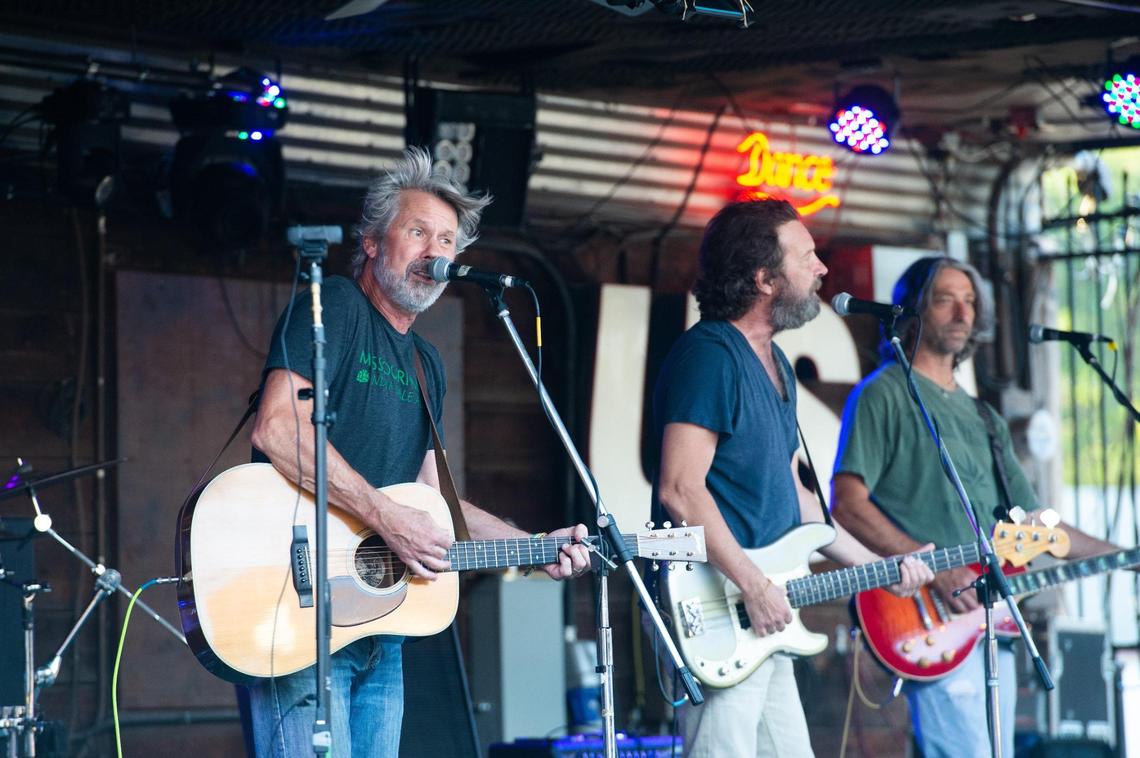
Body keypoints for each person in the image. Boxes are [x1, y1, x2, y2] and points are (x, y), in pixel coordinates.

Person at [242, 146, 592, 757]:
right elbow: (278, 429)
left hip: (383, 633)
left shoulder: (427, 364)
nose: (437, 251)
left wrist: (537, 547)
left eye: (449, 241)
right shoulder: (335, 310)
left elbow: (436, 507)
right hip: (296, 613)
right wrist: (383, 515)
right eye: (419, 231)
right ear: (374, 243)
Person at [650, 198, 934, 758]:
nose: (822, 269)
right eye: (806, 256)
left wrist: (879, 568)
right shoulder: (710, 355)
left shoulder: (776, 364)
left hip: (763, 614)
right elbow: (679, 488)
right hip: (720, 605)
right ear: (764, 278)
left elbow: (801, 501)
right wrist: (754, 585)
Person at [831, 255, 1124, 758]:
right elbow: (847, 503)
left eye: (970, 301)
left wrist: (1124, 553)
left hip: (990, 624)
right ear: (913, 310)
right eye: (946, 299)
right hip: (928, 615)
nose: (963, 313)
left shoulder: (984, 417)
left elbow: (1038, 527)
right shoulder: (882, 395)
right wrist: (934, 572)